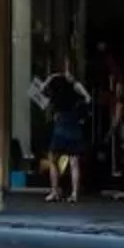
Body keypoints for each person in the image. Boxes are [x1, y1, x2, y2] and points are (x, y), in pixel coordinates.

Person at [38, 61, 92, 203]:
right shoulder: (75, 91)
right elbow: (88, 98)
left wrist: (51, 77)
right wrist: (75, 82)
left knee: (53, 159)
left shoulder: (57, 90)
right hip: (73, 128)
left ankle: (55, 191)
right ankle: (74, 194)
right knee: (74, 162)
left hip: (61, 129)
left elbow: (42, 89)